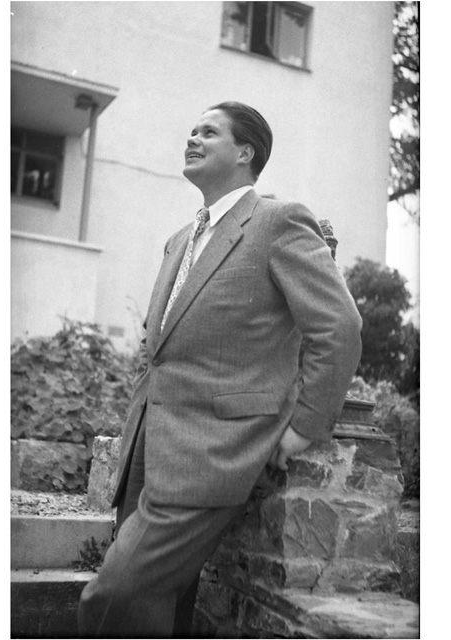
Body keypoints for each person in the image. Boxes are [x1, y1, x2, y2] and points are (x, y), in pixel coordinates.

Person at [77, 102, 362, 637]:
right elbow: (159, 347)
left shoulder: (278, 222)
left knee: (113, 598)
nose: (193, 138)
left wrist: (305, 425)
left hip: (213, 451)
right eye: (191, 130)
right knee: (164, 606)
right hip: (147, 445)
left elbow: (338, 327)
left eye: (209, 132)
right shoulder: (179, 240)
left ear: (245, 152)